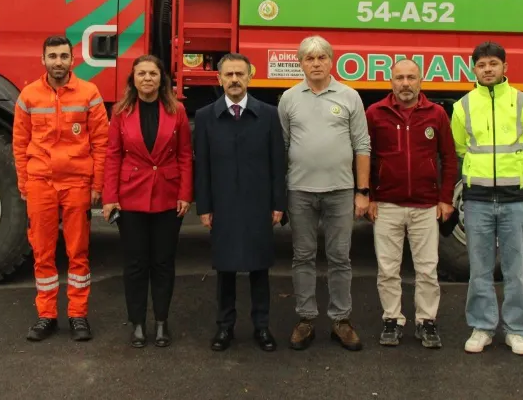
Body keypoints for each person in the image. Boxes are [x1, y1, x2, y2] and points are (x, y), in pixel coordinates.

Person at [12, 35, 110, 342]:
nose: (58, 61)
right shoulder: (28, 95)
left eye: (63, 56)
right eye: (52, 56)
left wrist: (97, 184)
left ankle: (78, 315)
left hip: (77, 183)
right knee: (42, 253)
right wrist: (24, 182)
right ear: (43, 60)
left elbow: (101, 143)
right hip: (40, 182)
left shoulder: (89, 93)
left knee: (78, 252)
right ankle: (47, 316)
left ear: (73, 60)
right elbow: (19, 143)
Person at [450, 41, 523, 356]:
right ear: (473, 69)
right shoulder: (462, 106)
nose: (487, 69)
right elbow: (460, 148)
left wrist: (511, 173)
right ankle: (482, 326)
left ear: (505, 67)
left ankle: (517, 330)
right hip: (476, 200)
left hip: (514, 201)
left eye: (493, 63)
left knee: (514, 269)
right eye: (481, 64)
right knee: (479, 269)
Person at [277, 35, 371, 351]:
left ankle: (340, 320)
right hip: (300, 192)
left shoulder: (350, 97)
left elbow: (362, 145)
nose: (316, 63)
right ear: (301, 63)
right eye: (309, 58)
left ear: (331, 61)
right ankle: (305, 319)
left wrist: (362, 191)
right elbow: (284, 146)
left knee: (340, 257)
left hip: (341, 192)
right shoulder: (288, 99)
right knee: (302, 256)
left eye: (321, 58)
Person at [194, 53, 287, 352]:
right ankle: (225, 327)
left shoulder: (269, 114)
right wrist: (205, 207)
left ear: (249, 77)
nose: (234, 80)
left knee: (260, 268)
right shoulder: (207, 116)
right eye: (229, 74)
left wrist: (278, 204)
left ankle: (262, 327)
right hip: (222, 204)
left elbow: (278, 163)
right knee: (226, 269)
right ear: (219, 79)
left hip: (259, 203)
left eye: (240, 74)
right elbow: (202, 166)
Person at [365, 59, 458, 349]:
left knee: (427, 268)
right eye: (399, 78)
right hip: (387, 205)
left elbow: (450, 158)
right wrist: (368, 195)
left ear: (421, 81)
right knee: (388, 269)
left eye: (411, 78)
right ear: (390, 82)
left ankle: (426, 321)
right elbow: (364, 156)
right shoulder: (375, 113)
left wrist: (445, 199)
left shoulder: (437, 114)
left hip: (425, 205)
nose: (405, 83)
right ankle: (392, 320)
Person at [102, 55, 193, 348]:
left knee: (163, 263)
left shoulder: (177, 110)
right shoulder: (120, 112)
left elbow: (184, 156)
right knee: (136, 264)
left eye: (153, 73)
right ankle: (138, 324)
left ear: (161, 78)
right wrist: (110, 198)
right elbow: (113, 155)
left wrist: (184, 194)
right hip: (130, 198)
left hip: (168, 198)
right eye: (141, 73)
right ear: (133, 79)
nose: (147, 79)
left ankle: (162, 322)